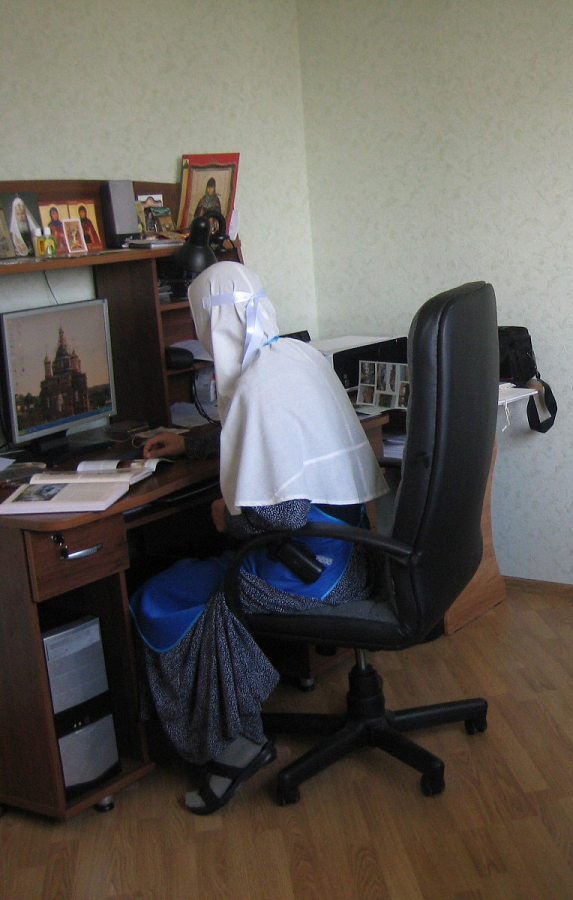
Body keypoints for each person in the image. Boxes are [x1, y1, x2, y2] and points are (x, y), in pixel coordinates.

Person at [130, 261, 388, 814]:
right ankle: (233, 715)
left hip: (309, 575)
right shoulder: (295, 356)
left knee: (161, 596)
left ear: (214, 323)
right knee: (197, 567)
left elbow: (285, 515)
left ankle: (233, 743)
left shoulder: (256, 388)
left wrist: (229, 519)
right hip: (352, 554)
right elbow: (258, 434)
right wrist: (190, 445)